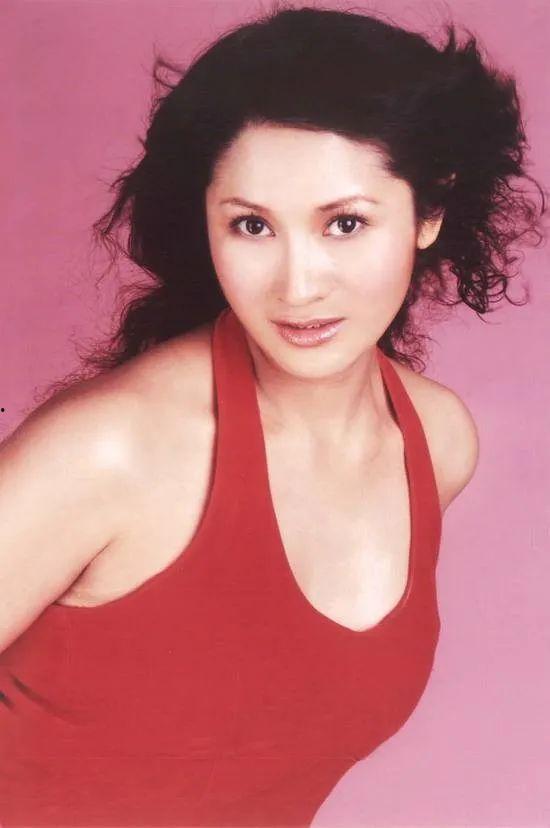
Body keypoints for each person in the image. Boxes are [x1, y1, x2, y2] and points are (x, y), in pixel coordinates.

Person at [0, 2, 545, 825]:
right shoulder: (113, 452)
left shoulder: (436, 442)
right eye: (252, 225)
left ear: (430, 212)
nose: (297, 285)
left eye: (345, 224)